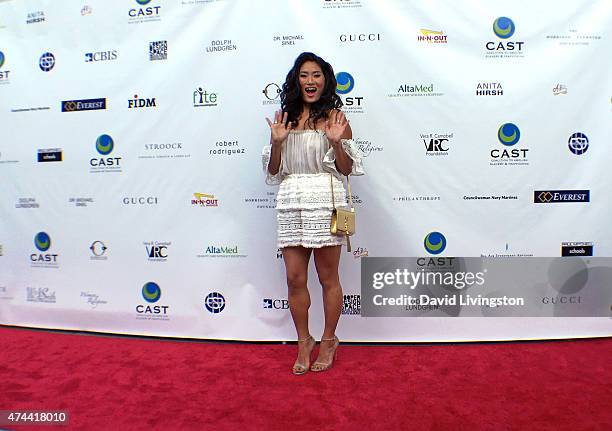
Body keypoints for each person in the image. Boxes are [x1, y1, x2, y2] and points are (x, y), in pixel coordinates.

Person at [262, 52, 365, 374]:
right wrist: (278, 143)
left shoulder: (336, 119)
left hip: (326, 198)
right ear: (296, 79)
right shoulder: (284, 119)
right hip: (292, 198)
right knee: (294, 278)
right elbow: (274, 171)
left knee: (327, 277)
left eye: (316, 75)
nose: (310, 81)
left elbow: (347, 170)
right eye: (304, 75)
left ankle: (329, 339)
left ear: (326, 80)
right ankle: (303, 340)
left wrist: (336, 143)